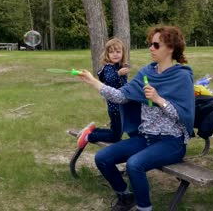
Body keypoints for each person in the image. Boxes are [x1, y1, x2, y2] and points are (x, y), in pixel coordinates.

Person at [77, 26, 195, 211]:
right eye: (151, 44)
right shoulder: (146, 73)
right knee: (102, 157)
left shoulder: (182, 77)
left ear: (170, 48)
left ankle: (144, 207)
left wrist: (158, 100)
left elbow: (183, 115)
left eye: (156, 45)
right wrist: (93, 82)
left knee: (134, 165)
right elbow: (121, 96)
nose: (151, 48)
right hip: (145, 138)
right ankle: (125, 197)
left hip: (172, 142)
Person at [77, 38, 130, 148]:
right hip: (115, 108)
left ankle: (93, 130)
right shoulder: (108, 67)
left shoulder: (119, 66)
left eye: (118, 51)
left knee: (115, 131)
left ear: (123, 53)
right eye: (111, 52)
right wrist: (118, 74)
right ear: (107, 54)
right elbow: (109, 79)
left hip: (120, 106)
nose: (115, 54)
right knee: (115, 137)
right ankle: (88, 136)